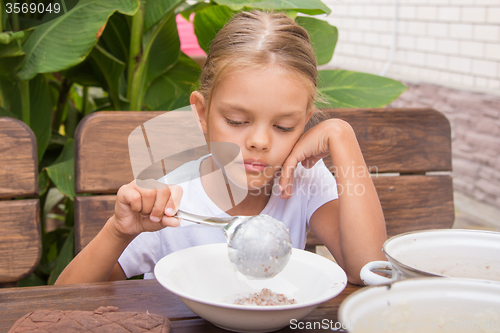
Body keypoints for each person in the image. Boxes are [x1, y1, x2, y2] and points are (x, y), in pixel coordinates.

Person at [56, 11, 387, 286]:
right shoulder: (170, 199)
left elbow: (367, 269)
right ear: (202, 113)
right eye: (237, 121)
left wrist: (342, 137)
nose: (259, 141)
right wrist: (118, 232)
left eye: (284, 126)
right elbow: (66, 300)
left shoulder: (304, 180)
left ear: (304, 121)